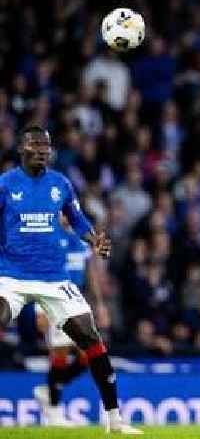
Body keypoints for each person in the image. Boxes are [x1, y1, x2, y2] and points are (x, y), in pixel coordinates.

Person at [0, 126, 141, 434]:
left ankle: (114, 420)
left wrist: (93, 239)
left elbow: (76, 218)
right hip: (11, 275)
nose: (41, 150)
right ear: (21, 150)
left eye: (46, 146)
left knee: (91, 338)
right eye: (35, 145)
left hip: (54, 279)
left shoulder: (60, 184)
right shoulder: (5, 184)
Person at [32, 215, 109, 427]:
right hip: (53, 300)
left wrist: (100, 304)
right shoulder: (48, 239)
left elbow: (91, 273)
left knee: (89, 355)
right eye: (61, 213)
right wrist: (40, 308)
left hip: (76, 301)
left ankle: (50, 390)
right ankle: (55, 413)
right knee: (61, 352)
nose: (65, 217)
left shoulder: (82, 240)